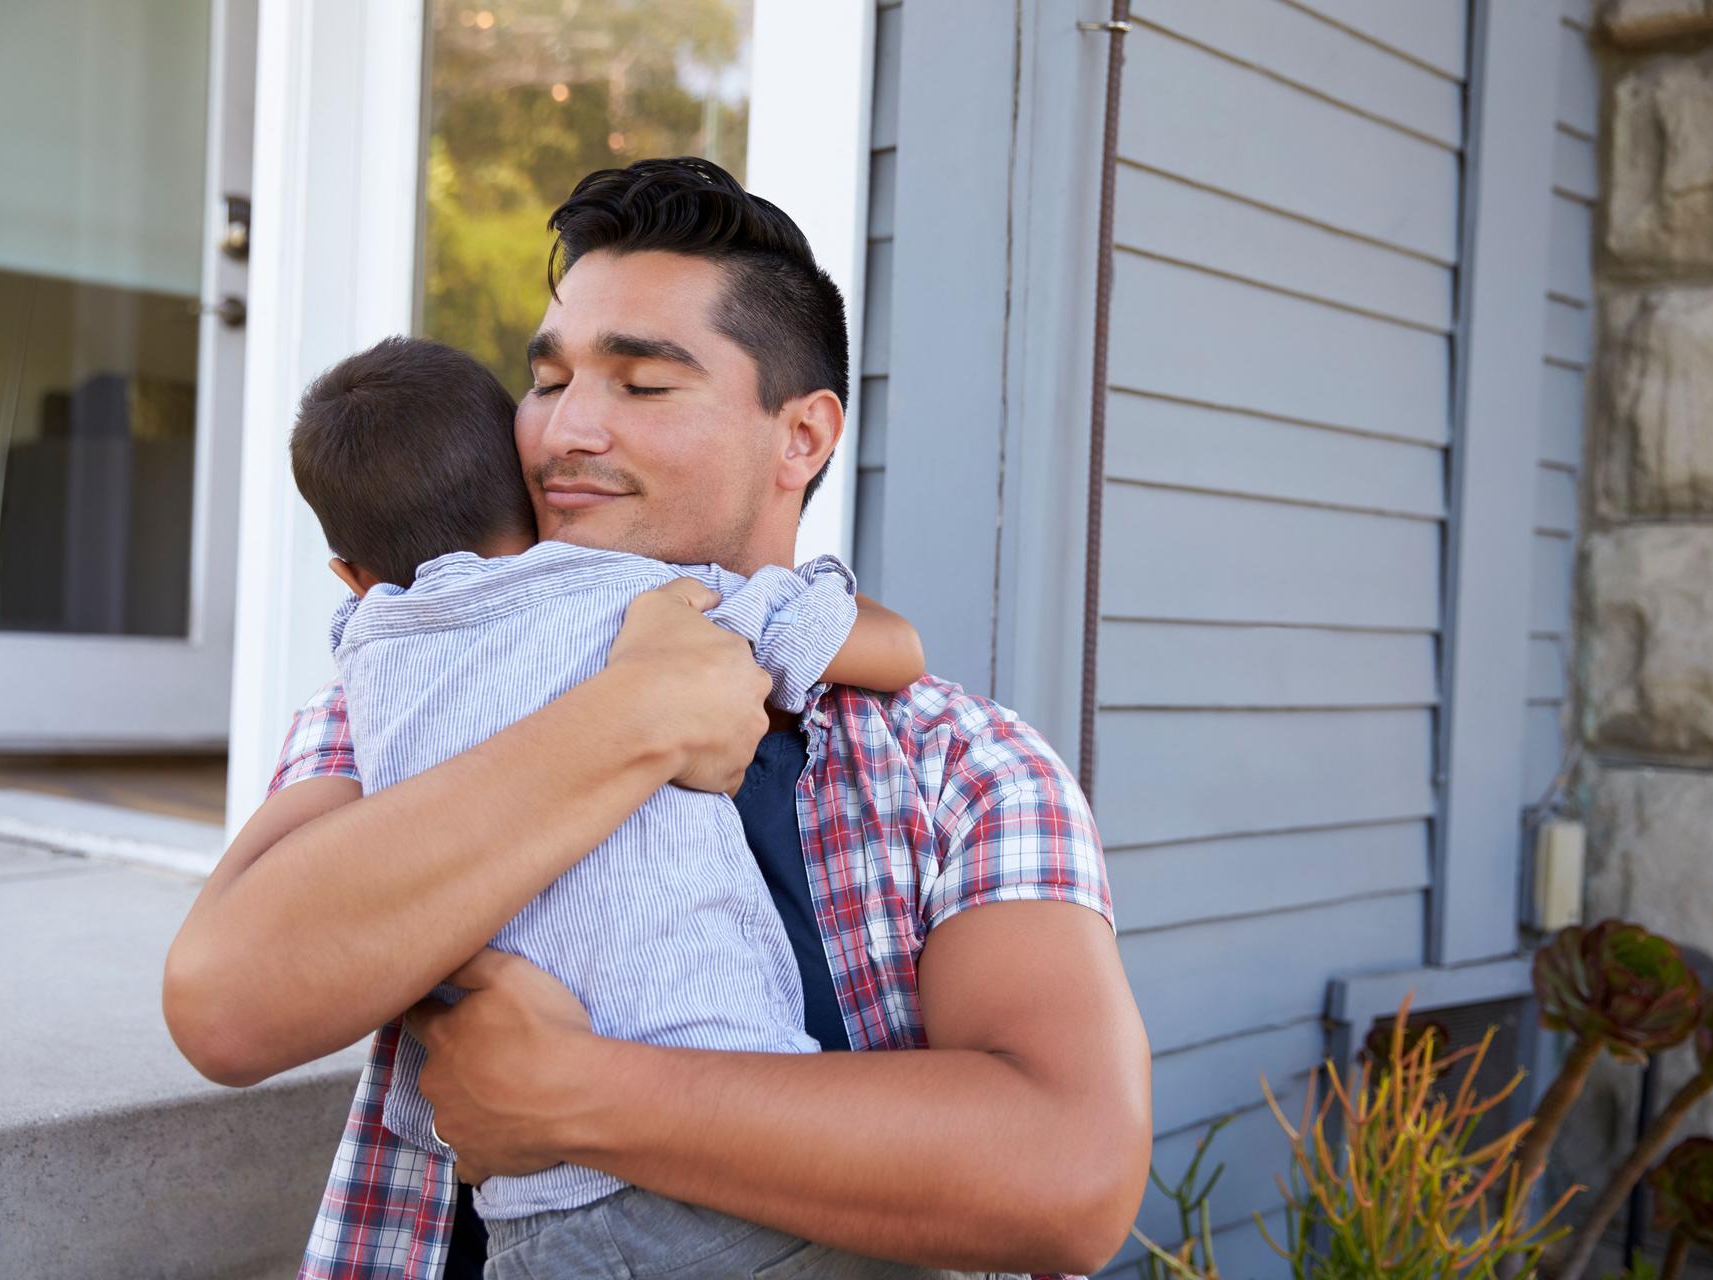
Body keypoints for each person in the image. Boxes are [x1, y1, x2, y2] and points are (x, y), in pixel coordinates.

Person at [163, 157, 1151, 1280]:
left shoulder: (962, 766)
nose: (563, 431)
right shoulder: (399, 690)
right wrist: (632, 716)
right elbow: (228, 1005)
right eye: (547, 380)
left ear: (804, 438)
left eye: (642, 385)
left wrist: (576, 1095)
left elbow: (1071, 1173)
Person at [289, 333, 950, 1276]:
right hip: (729, 1157)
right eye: (550, 385)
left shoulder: (363, 662)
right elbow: (893, 651)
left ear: (350, 578)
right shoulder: (632, 596)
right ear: (534, 500)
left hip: (526, 1207)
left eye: (640, 384)